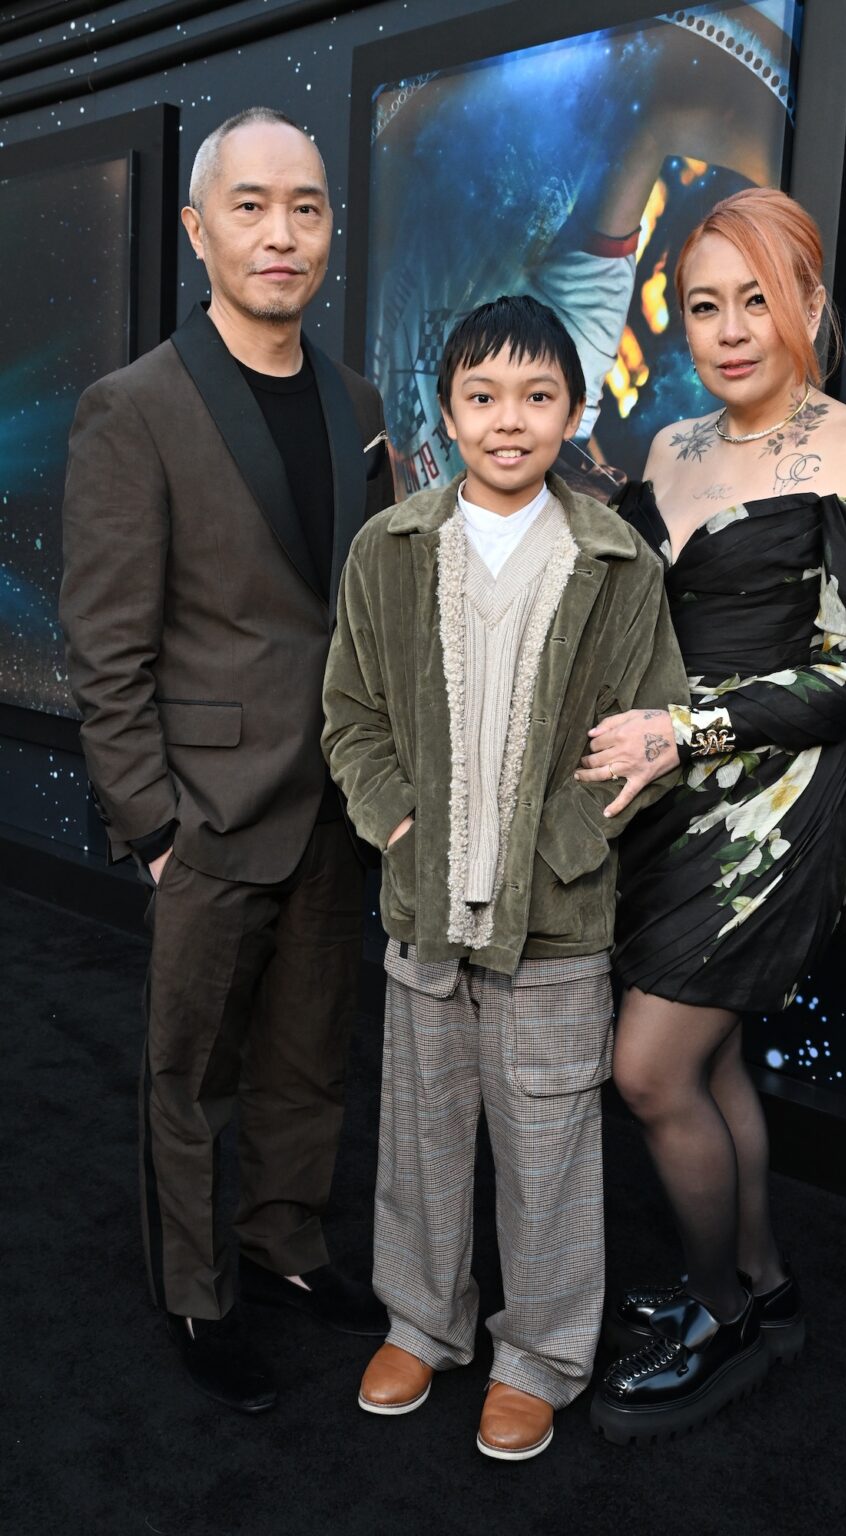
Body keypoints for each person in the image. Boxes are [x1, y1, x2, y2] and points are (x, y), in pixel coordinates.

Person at [574, 188, 846, 1444]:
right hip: (664, 801)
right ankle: (762, 1286)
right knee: (710, 1060)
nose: (732, 329)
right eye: (704, 304)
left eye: (759, 298)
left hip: (776, 813)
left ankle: (714, 1313)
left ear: (810, 301)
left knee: (645, 1071)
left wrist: (684, 732)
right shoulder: (675, 447)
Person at [60, 107, 394, 1414]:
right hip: (204, 810)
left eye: (305, 207)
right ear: (200, 230)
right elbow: (105, 640)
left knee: (311, 1050)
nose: (281, 232)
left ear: (327, 231)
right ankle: (199, 1295)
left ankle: (286, 1246)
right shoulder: (131, 407)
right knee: (191, 1071)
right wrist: (149, 823)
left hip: (336, 804)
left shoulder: (355, 399)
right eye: (251, 205)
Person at [322, 295, 688, 1460]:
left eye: (537, 397)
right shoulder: (389, 550)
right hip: (426, 907)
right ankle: (422, 1324)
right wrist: (393, 826)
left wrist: (566, 849)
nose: (509, 420)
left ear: (573, 413)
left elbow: (651, 732)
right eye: (483, 396)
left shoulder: (616, 560)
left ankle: (537, 1355)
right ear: (447, 411)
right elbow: (351, 715)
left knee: (547, 1146)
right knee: (422, 1138)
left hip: (557, 922)